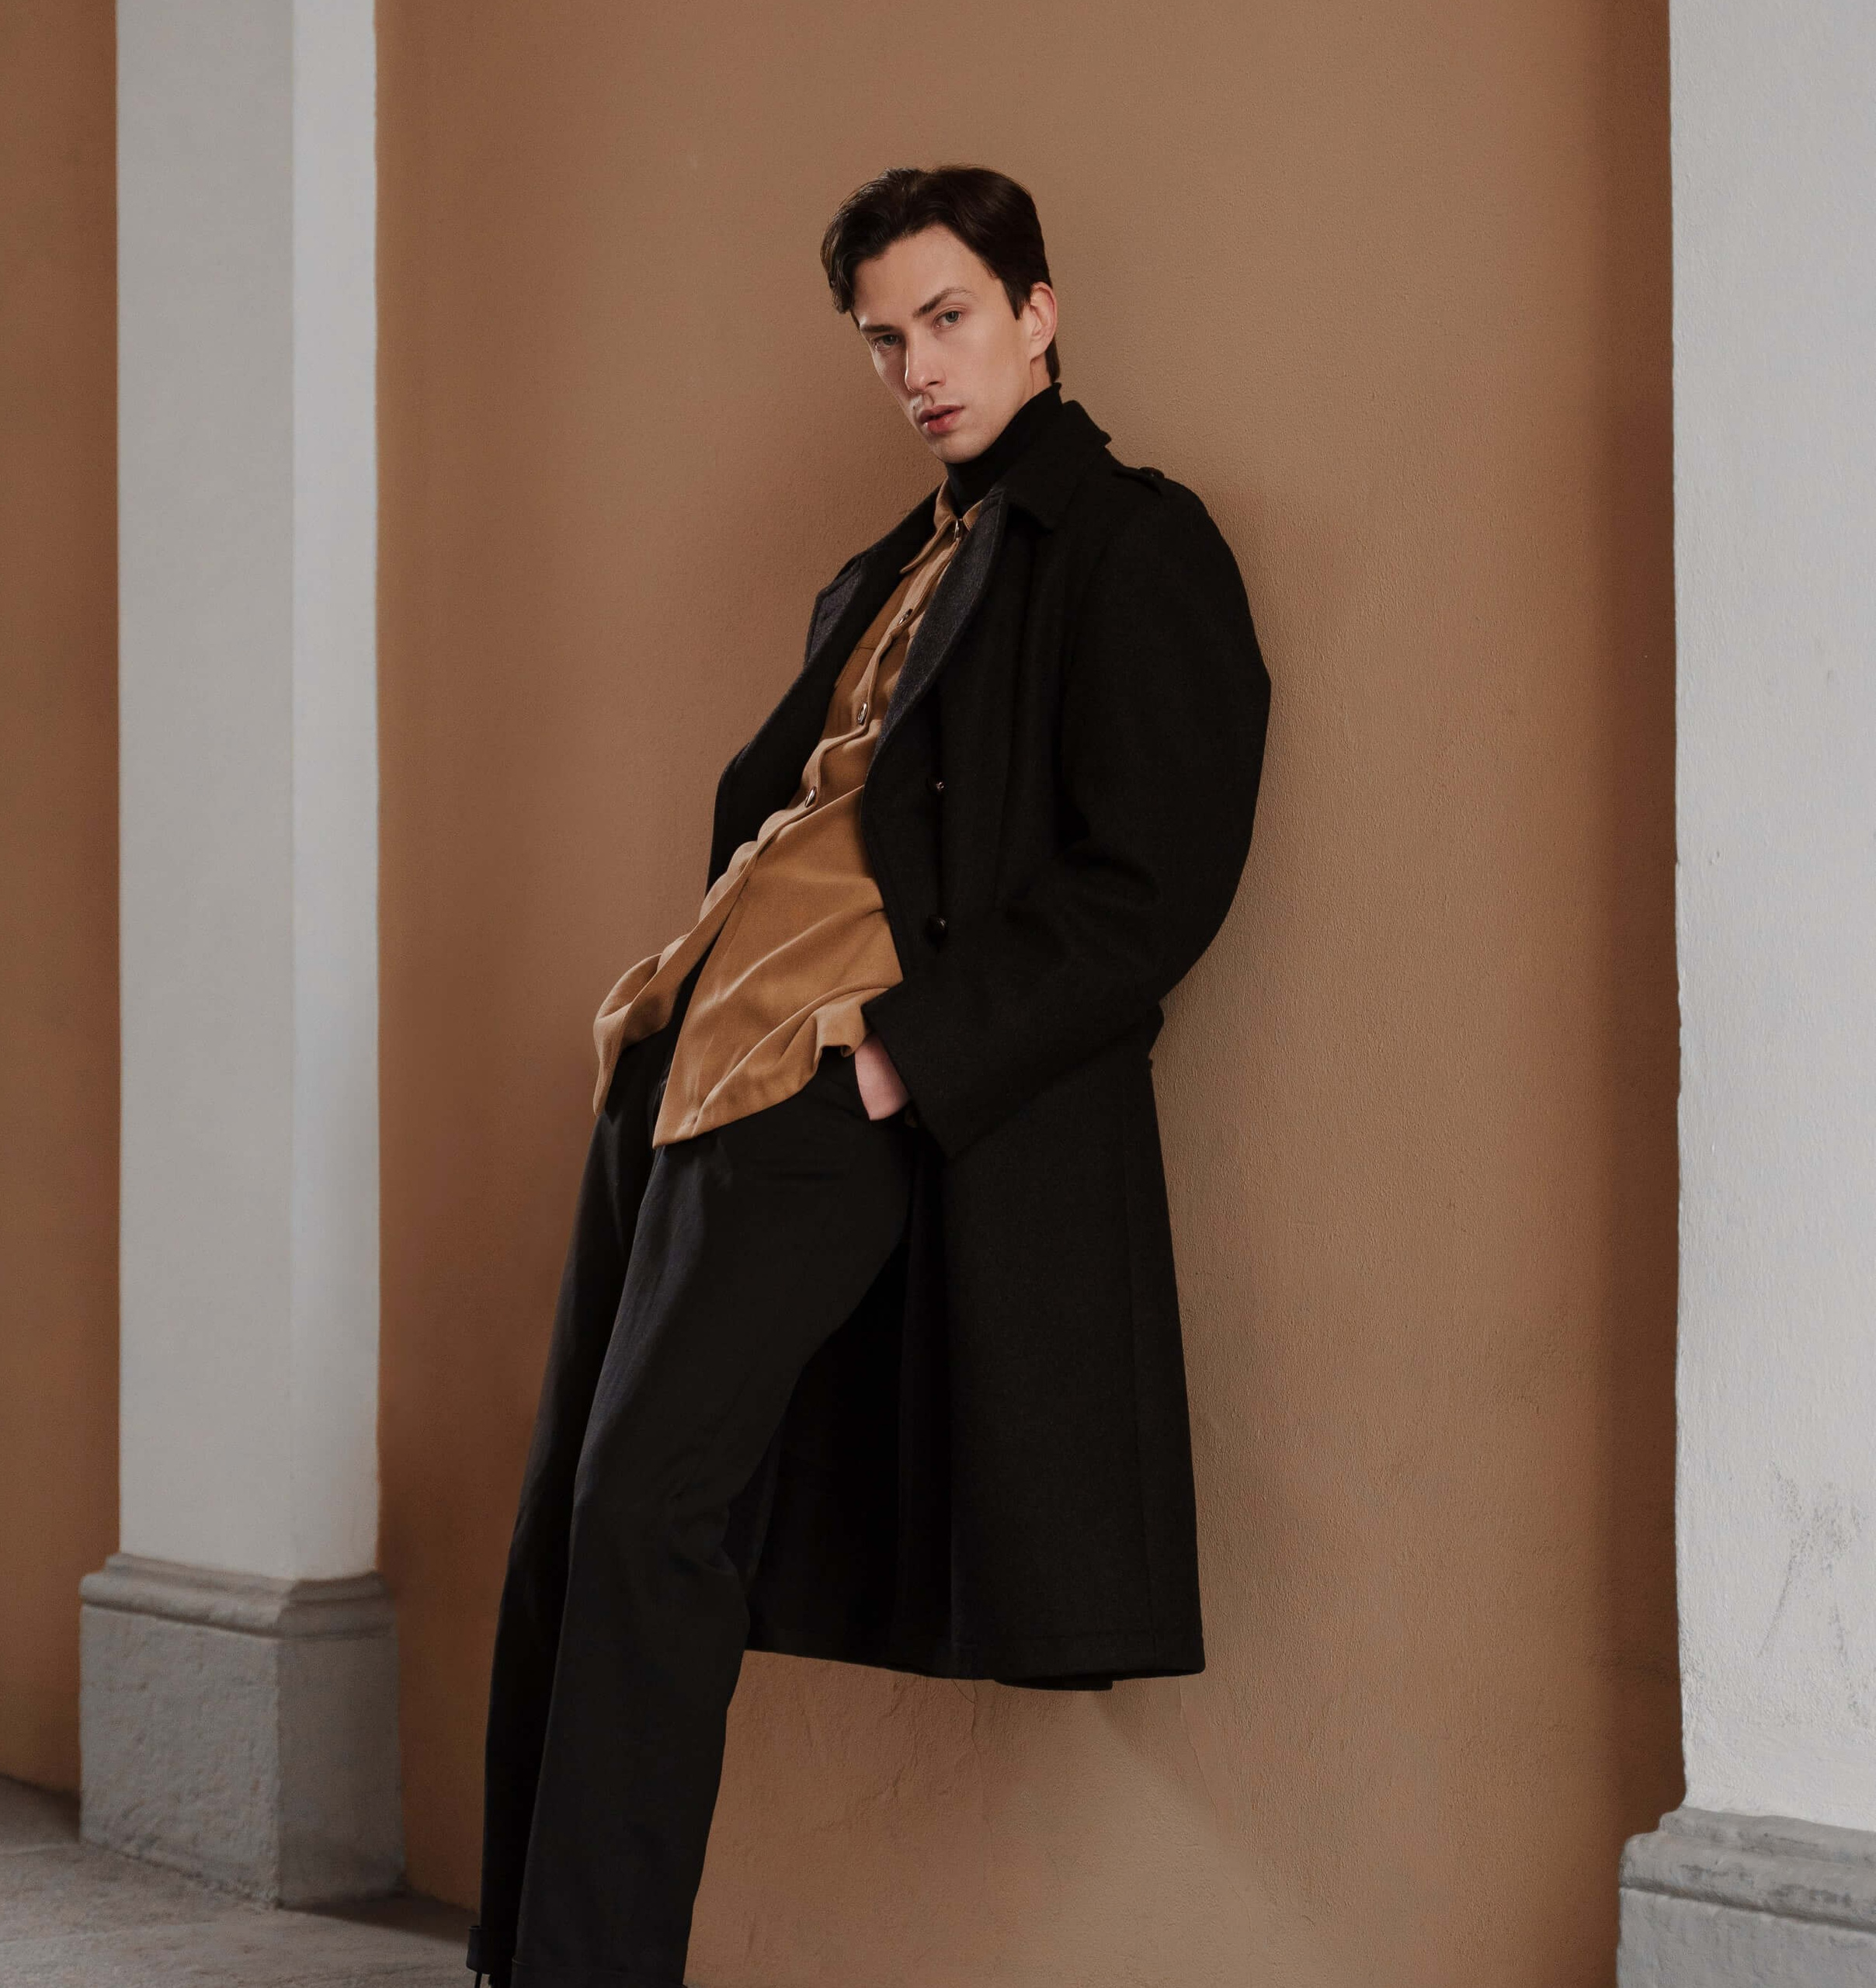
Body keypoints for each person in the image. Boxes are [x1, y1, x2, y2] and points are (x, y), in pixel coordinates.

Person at [467, 163, 1271, 1988]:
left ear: (1037, 309)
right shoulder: (881, 571)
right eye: (884, 338)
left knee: (651, 1512)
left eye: (949, 318)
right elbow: (788, 815)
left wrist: (901, 1060)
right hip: (687, 1062)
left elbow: (1151, 885)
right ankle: (529, 1960)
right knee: (572, 1523)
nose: (917, 366)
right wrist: (673, 1013)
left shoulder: (1133, 545)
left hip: (845, 1073)